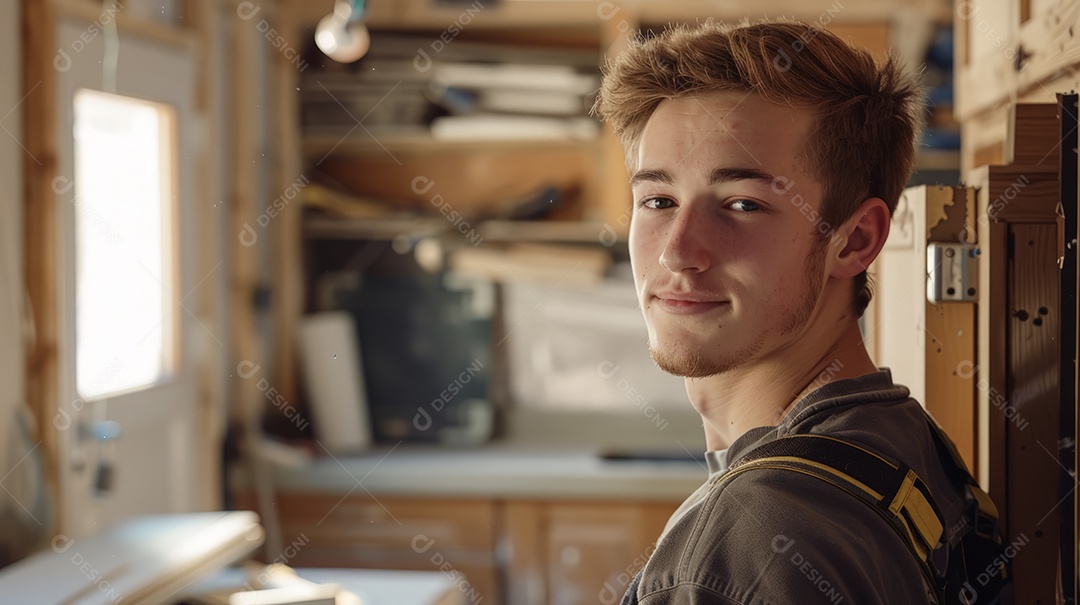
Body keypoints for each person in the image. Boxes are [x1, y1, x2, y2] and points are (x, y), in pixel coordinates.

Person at [594, 19, 990, 604]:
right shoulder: (898, 435)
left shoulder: (754, 539)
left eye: (742, 204)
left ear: (854, 240)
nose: (677, 251)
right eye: (658, 200)